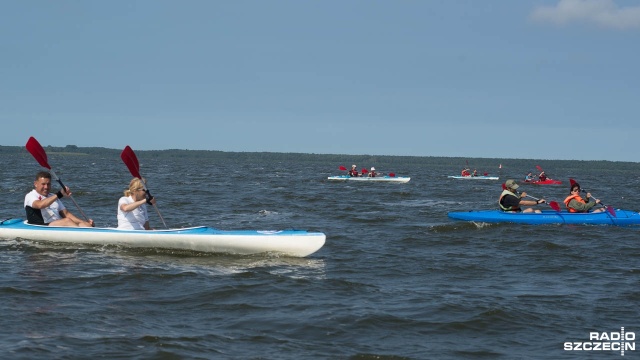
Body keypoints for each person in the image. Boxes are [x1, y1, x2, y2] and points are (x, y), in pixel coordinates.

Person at [24, 171, 94, 227]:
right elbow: (40, 205)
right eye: (43, 184)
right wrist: (59, 194)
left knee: (84, 224)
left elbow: (66, 214)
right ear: (35, 184)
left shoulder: (53, 196)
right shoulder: (30, 196)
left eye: (48, 184)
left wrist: (84, 222)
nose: (46, 187)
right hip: (42, 226)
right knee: (67, 221)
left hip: (57, 225)